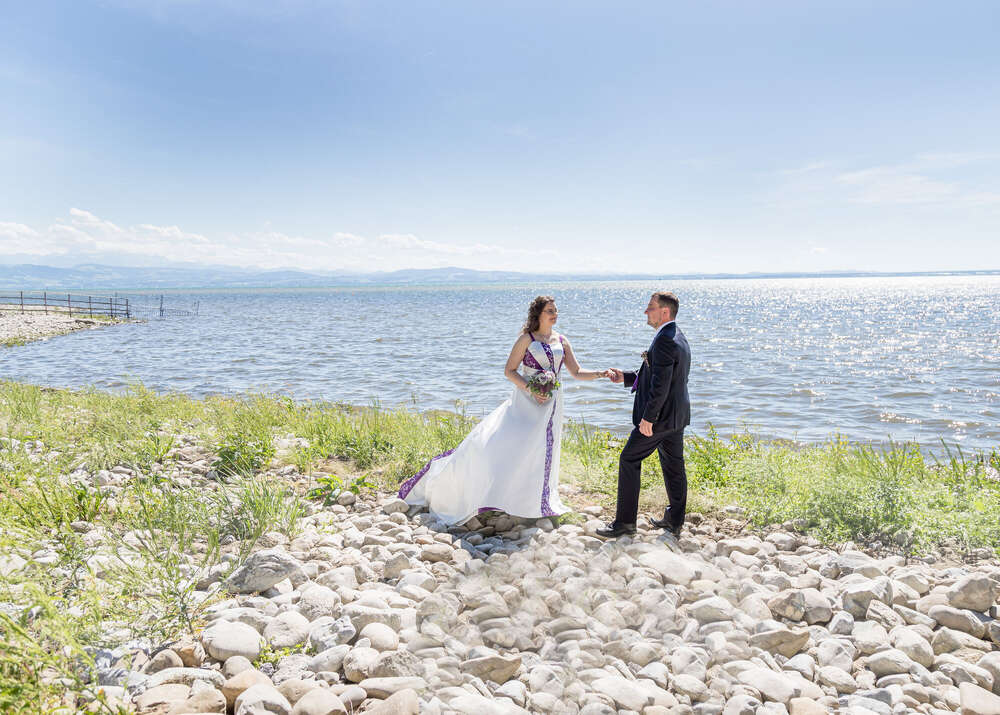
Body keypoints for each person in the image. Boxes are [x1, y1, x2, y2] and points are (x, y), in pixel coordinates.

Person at [398, 295, 609, 525]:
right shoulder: (526, 339)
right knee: (511, 445)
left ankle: (535, 502)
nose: (555, 314)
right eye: (550, 310)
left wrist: (601, 373)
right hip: (526, 403)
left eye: (556, 310)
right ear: (538, 314)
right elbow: (510, 371)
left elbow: (576, 372)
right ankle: (491, 495)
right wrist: (531, 388)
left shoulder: (562, 340)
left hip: (553, 404)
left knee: (543, 449)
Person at [597, 291, 691, 538]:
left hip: (659, 419)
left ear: (664, 312)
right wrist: (626, 378)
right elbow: (659, 377)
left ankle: (625, 524)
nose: (645, 312)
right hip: (675, 417)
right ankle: (674, 520)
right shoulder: (677, 336)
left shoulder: (664, 340)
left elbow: (661, 386)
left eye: (650, 307)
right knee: (673, 466)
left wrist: (648, 419)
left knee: (628, 459)